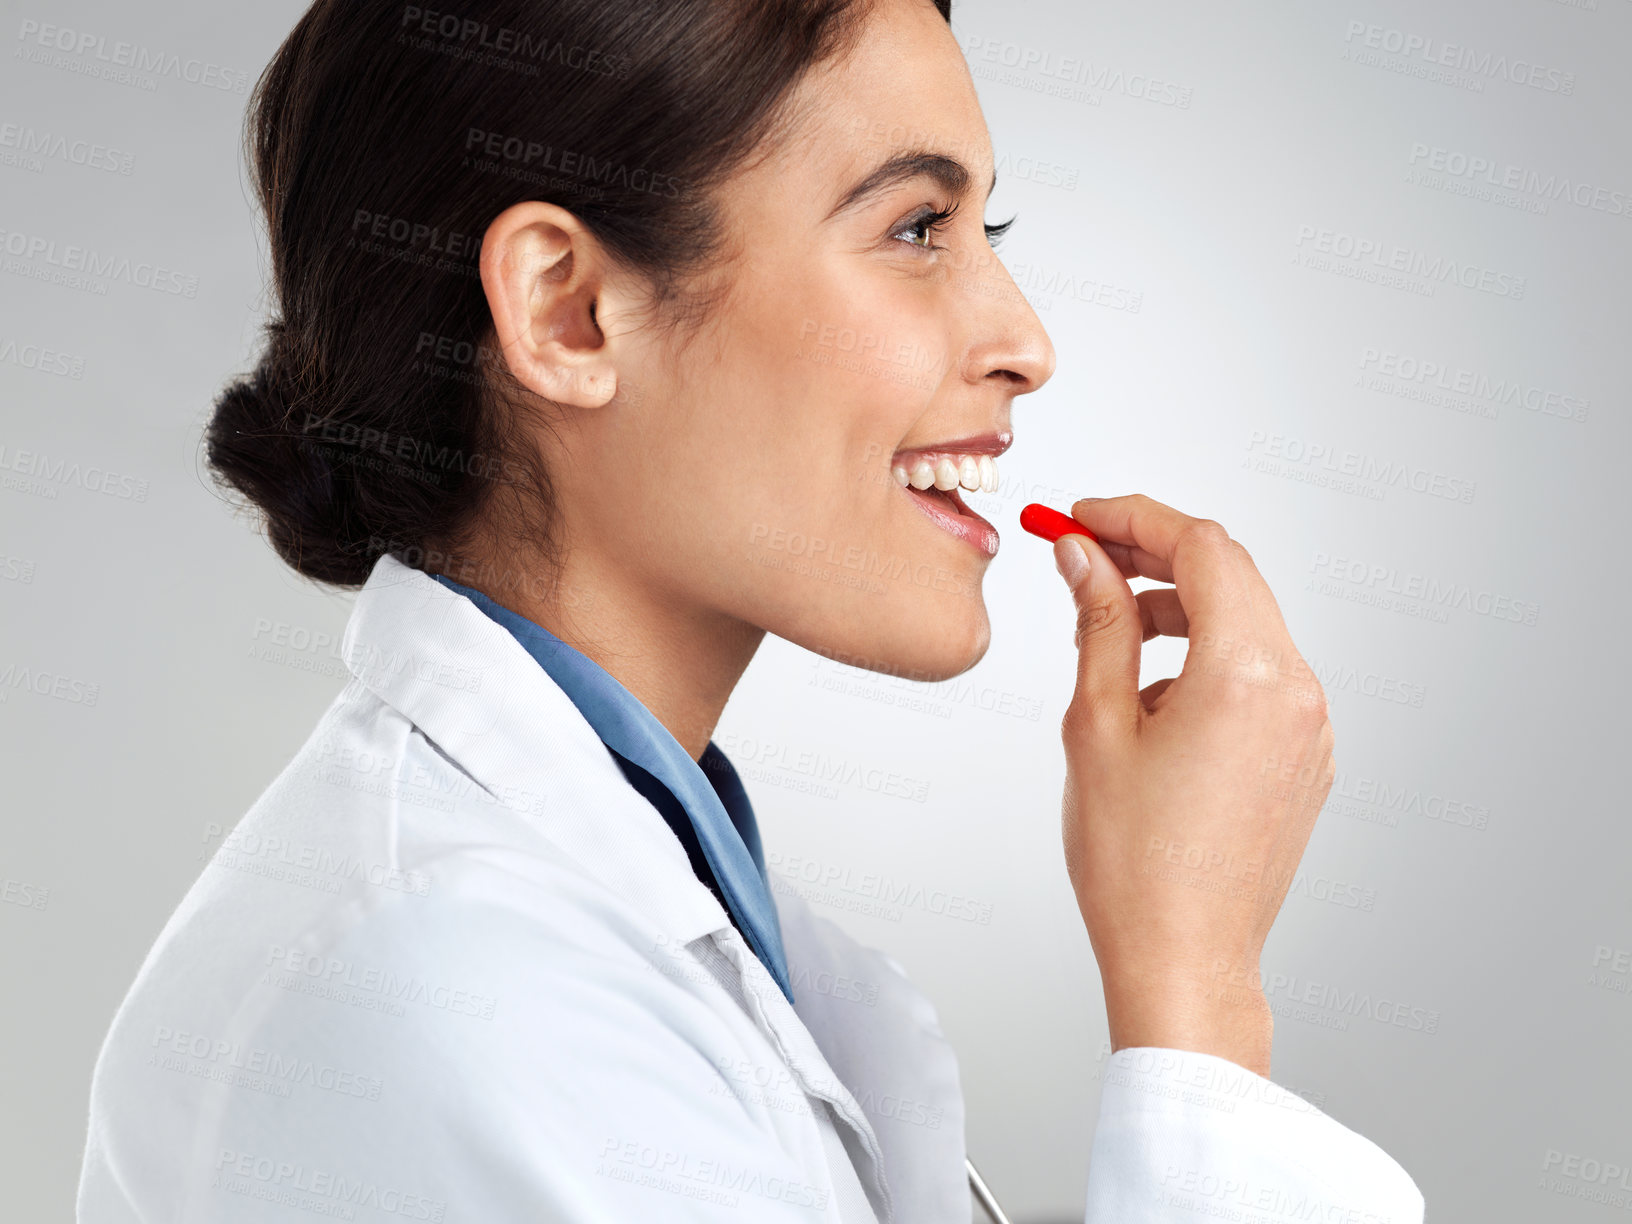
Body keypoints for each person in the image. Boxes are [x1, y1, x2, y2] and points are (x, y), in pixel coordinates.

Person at [77, 0, 1425, 1220]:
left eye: (983, 229)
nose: (1024, 341)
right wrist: (1196, 1003)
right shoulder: (451, 980)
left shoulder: (620, 913)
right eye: (914, 228)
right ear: (571, 313)